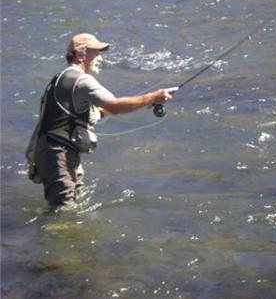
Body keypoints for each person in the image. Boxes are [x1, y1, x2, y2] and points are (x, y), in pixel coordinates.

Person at [26, 33, 178, 209]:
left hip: (57, 151)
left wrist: (149, 100)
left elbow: (100, 111)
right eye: (96, 53)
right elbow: (114, 106)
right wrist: (152, 97)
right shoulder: (81, 80)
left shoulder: (63, 77)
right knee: (63, 211)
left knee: (77, 203)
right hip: (57, 153)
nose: (100, 59)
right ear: (81, 54)